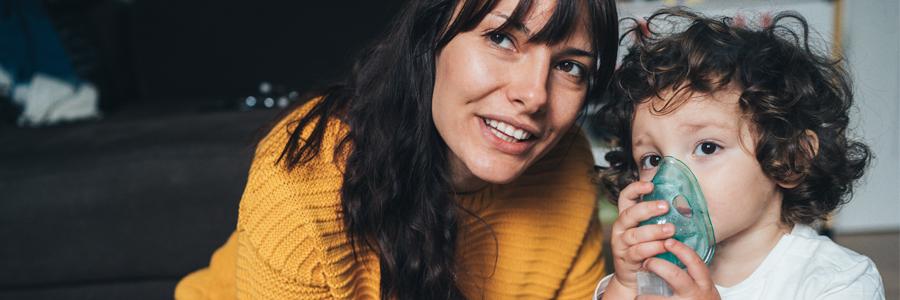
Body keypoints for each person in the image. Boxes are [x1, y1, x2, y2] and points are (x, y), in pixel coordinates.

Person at [174, 0, 620, 299]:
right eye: (501, 38)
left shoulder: (568, 166)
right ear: (430, 38)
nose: (535, 95)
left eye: (569, 66)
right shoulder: (303, 182)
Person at [593, 7, 884, 300]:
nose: (668, 181)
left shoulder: (839, 280)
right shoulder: (655, 270)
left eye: (707, 147)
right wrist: (627, 284)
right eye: (653, 160)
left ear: (790, 157)